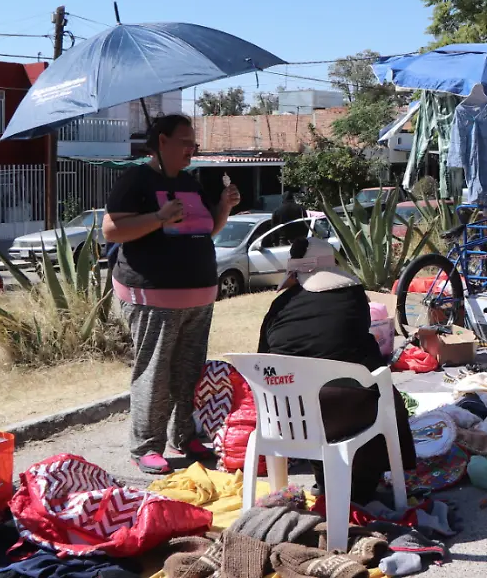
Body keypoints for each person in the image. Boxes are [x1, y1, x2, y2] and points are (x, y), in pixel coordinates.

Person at [104, 114, 241, 475]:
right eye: (184, 142)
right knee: (156, 370)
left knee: (189, 371)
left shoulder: (190, 182)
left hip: (198, 294)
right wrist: (159, 218)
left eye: (193, 143)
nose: (190, 149)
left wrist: (223, 208)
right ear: (161, 141)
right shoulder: (136, 179)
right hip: (152, 295)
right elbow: (112, 230)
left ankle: (186, 435)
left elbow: (205, 230)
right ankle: (146, 445)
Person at [258, 237, 417, 503]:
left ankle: (324, 481)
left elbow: (264, 357)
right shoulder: (351, 296)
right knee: (377, 391)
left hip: (286, 417)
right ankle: (364, 483)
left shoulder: (279, 307)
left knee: (324, 392)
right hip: (343, 414)